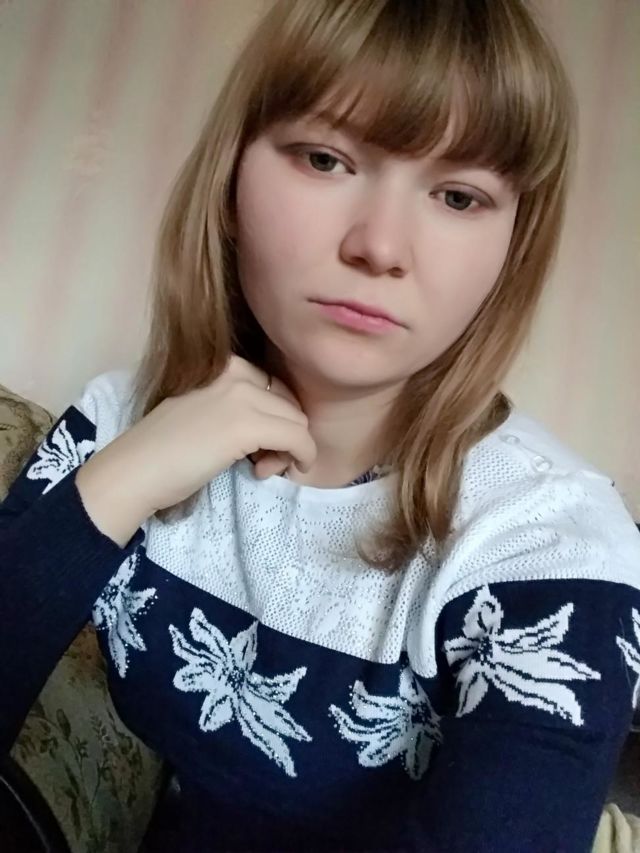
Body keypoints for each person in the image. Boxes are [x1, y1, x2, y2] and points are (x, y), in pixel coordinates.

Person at [1, 0, 639, 850]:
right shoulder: (123, 419)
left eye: (458, 195)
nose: (381, 246)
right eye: (326, 158)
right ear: (231, 178)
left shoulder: (545, 540)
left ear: (511, 247)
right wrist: (121, 480)